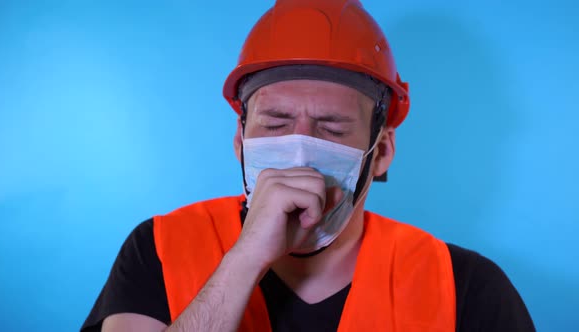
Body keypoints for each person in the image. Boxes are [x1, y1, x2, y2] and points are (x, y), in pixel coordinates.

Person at [82, 0, 535, 331]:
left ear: (381, 154)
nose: (300, 152)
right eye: (277, 123)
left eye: (333, 129)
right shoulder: (160, 248)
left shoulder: (465, 287)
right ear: (240, 141)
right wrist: (246, 259)